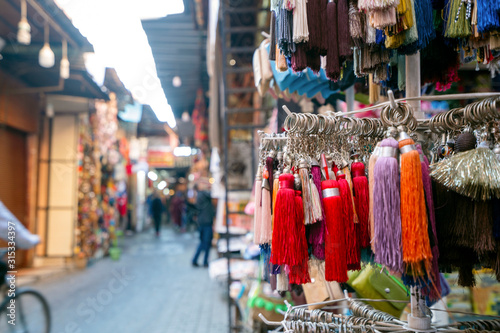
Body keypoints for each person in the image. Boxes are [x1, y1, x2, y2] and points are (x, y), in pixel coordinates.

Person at [192, 183, 215, 267]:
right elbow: (212, 194)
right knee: (206, 242)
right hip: (206, 222)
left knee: (203, 242)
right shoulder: (203, 194)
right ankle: (203, 261)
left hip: (202, 222)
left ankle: (197, 260)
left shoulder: (199, 195)